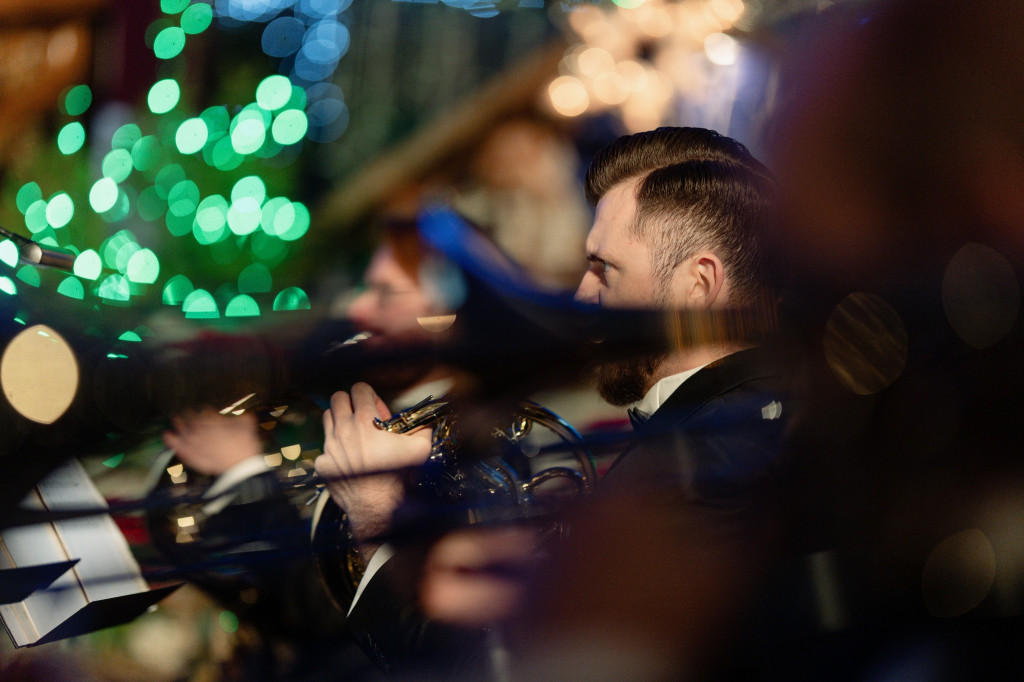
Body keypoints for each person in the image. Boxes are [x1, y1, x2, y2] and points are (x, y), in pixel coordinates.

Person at [315, 127, 791, 678]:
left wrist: (380, 514)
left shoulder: (703, 461)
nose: (584, 295)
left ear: (698, 285)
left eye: (603, 268)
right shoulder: (731, 428)